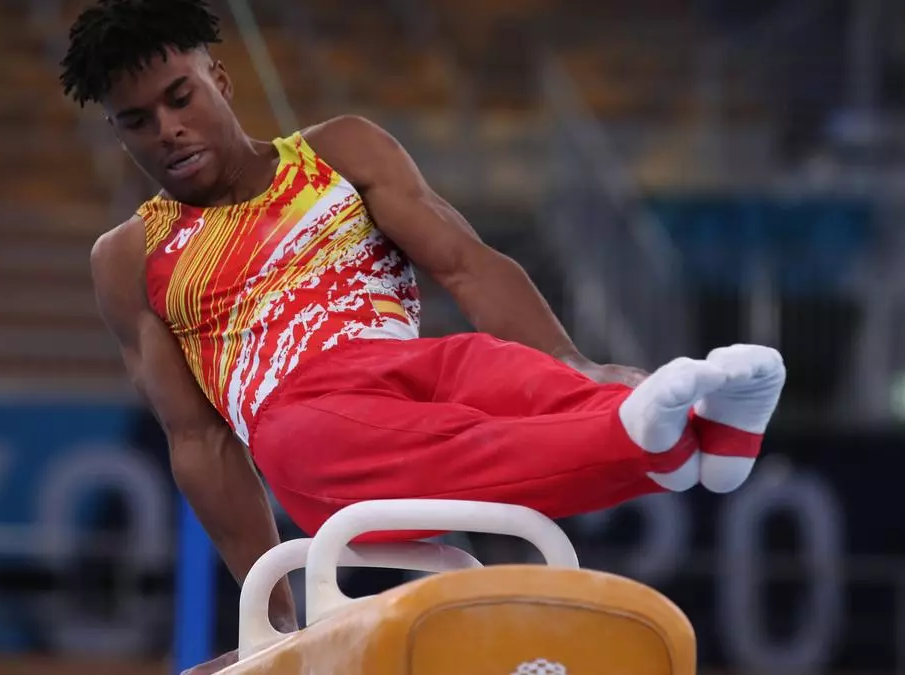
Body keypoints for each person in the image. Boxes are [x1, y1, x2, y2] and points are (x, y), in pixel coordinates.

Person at [61, 0, 786, 671]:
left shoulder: (340, 153)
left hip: (411, 368)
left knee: (493, 366)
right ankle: (650, 443)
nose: (167, 130)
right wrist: (273, 627)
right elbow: (201, 442)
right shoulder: (130, 258)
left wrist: (576, 364)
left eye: (180, 97)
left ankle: (702, 434)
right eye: (138, 120)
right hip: (309, 425)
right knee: (345, 434)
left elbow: (466, 265)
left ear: (218, 78)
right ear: (118, 133)